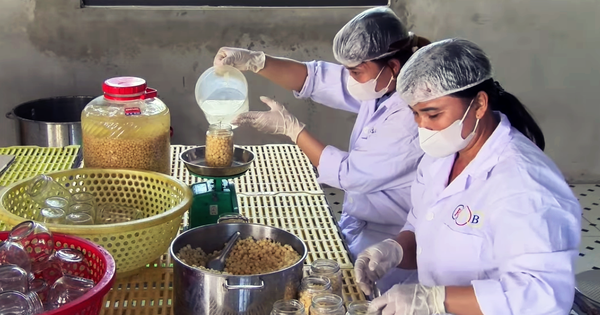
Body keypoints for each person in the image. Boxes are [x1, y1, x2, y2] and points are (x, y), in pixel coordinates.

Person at [354, 38, 581, 315]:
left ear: (479, 104)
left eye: (432, 114)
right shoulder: (441, 156)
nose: (422, 126)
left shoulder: (525, 184)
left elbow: (541, 293)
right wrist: (395, 251)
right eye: (415, 114)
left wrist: (437, 300)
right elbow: (424, 227)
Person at [213, 7, 430, 292]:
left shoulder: (410, 114)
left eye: (356, 71)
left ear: (393, 67)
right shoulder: (382, 85)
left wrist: (292, 129)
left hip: (389, 240)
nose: (350, 78)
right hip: (362, 221)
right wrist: (255, 61)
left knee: (364, 296)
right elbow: (313, 78)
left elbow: (349, 174)